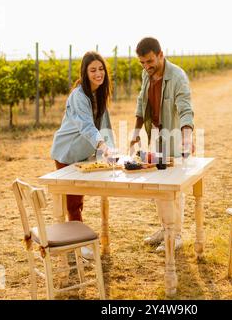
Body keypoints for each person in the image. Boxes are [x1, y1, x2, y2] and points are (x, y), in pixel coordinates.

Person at [130, 37, 195, 253]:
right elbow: (142, 101)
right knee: (159, 186)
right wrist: (136, 131)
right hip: (155, 136)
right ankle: (164, 228)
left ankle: (175, 235)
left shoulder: (178, 77)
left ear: (160, 54)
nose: (146, 67)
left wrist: (187, 137)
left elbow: (185, 109)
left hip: (174, 139)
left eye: (150, 61)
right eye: (142, 63)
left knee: (173, 188)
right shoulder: (146, 74)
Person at [51, 51, 114, 259]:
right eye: (93, 70)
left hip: (83, 154)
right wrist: (103, 146)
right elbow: (87, 127)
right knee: (73, 202)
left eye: (101, 69)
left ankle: (76, 242)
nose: (98, 73)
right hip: (67, 152)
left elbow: (105, 126)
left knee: (79, 199)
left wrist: (111, 151)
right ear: (85, 73)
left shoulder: (100, 93)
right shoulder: (79, 96)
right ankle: (76, 246)